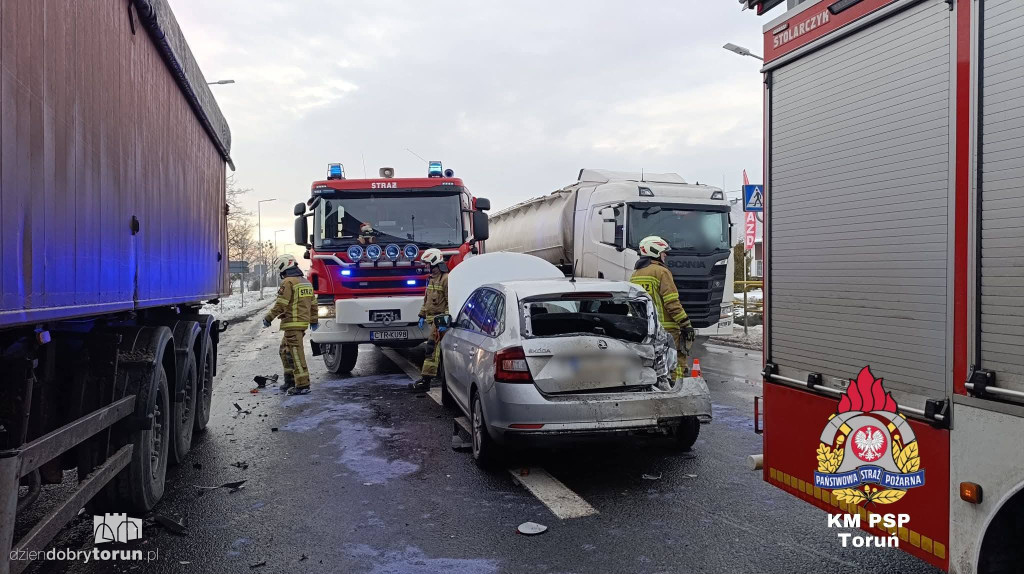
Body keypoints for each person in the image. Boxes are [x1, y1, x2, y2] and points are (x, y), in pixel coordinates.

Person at [629, 235, 695, 378]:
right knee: (676, 362)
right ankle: (678, 391)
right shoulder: (662, 272)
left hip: (646, 329)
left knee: (655, 364)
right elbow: (672, 304)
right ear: (655, 251)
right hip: (668, 329)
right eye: (664, 253)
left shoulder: (635, 274)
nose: (665, 256)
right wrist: (686, 324)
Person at [263, 254, 318, 395]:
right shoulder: (305, 282)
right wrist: (313, 321)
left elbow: (281, 304)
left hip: (292, 325)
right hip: (300, 324)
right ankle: (290, 380)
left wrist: (269, 317)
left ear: (284, 266)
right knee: (284, 350)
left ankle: (302, 385)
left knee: (296, 354)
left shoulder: (288, 282)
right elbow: (313, 304)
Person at [410, 248, 448, 392]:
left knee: (431, 349)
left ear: (434, 263)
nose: (425, 266)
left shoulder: (446, 279)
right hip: (432, 320)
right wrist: (421, 315)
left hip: (440, 320)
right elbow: (427, 301)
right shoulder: (431, 279)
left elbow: (450, 301)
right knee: (435, 350)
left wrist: (445, 321)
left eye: (427, 264)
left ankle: (426, 381)